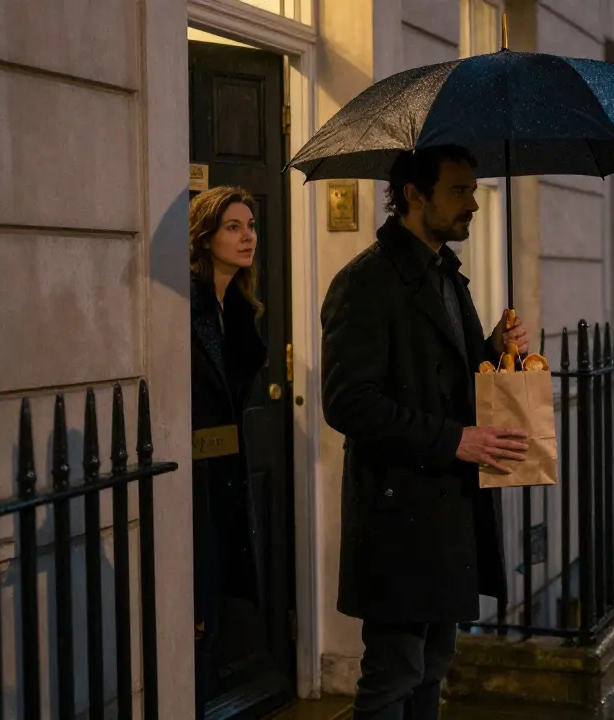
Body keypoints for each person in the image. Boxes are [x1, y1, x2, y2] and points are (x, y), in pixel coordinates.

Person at [321, 145, 530, 720]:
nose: (474, 206)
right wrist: (454, 440)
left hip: (448, 507)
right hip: (398, 509)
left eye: (474, 190)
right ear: (415, 195)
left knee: (434, 662)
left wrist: (493, 349)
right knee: (394, 672)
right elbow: (348, 402)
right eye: (459, 191)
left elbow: (444, 376)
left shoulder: (446, 274)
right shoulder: (365, 282)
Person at [188, 186, 269, 714]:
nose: (247, 237)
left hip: (225, 472)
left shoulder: (238, 307)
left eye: (250, 226)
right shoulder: (186, 301)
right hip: (192, 478)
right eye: (233, 227)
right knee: (196, 600)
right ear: (205, 236)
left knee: (218, 601)